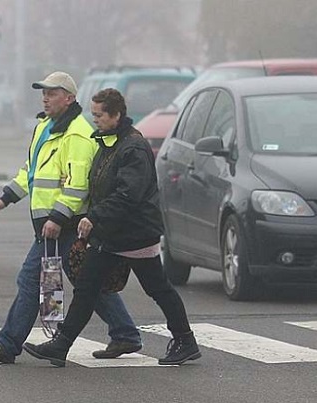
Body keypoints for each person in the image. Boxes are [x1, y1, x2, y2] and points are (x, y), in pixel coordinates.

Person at [0, 73, 143, 364]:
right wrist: (4, 198)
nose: (45, 98)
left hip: (65, 225)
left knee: (30, 280)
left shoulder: (76, 134)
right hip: (51, 225)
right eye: (44, 93)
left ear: (69, 98)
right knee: (89, 283)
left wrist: (57, 217)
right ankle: (125, 333)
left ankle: (8, 344)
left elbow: (78, 186)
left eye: (52, 93)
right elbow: (31, 172)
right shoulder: (45, 128)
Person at [23, 88, 201, 367]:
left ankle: (185, 340)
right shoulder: (109, 142)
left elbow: (127, 194)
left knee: (158, 288)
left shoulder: (133, 146)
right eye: (93, 114)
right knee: (87, 287)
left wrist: (94, 216)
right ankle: (62, 345)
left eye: (100, 115)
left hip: (135, 234)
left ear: (116, 115)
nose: (95, 120)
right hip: (112, 234)